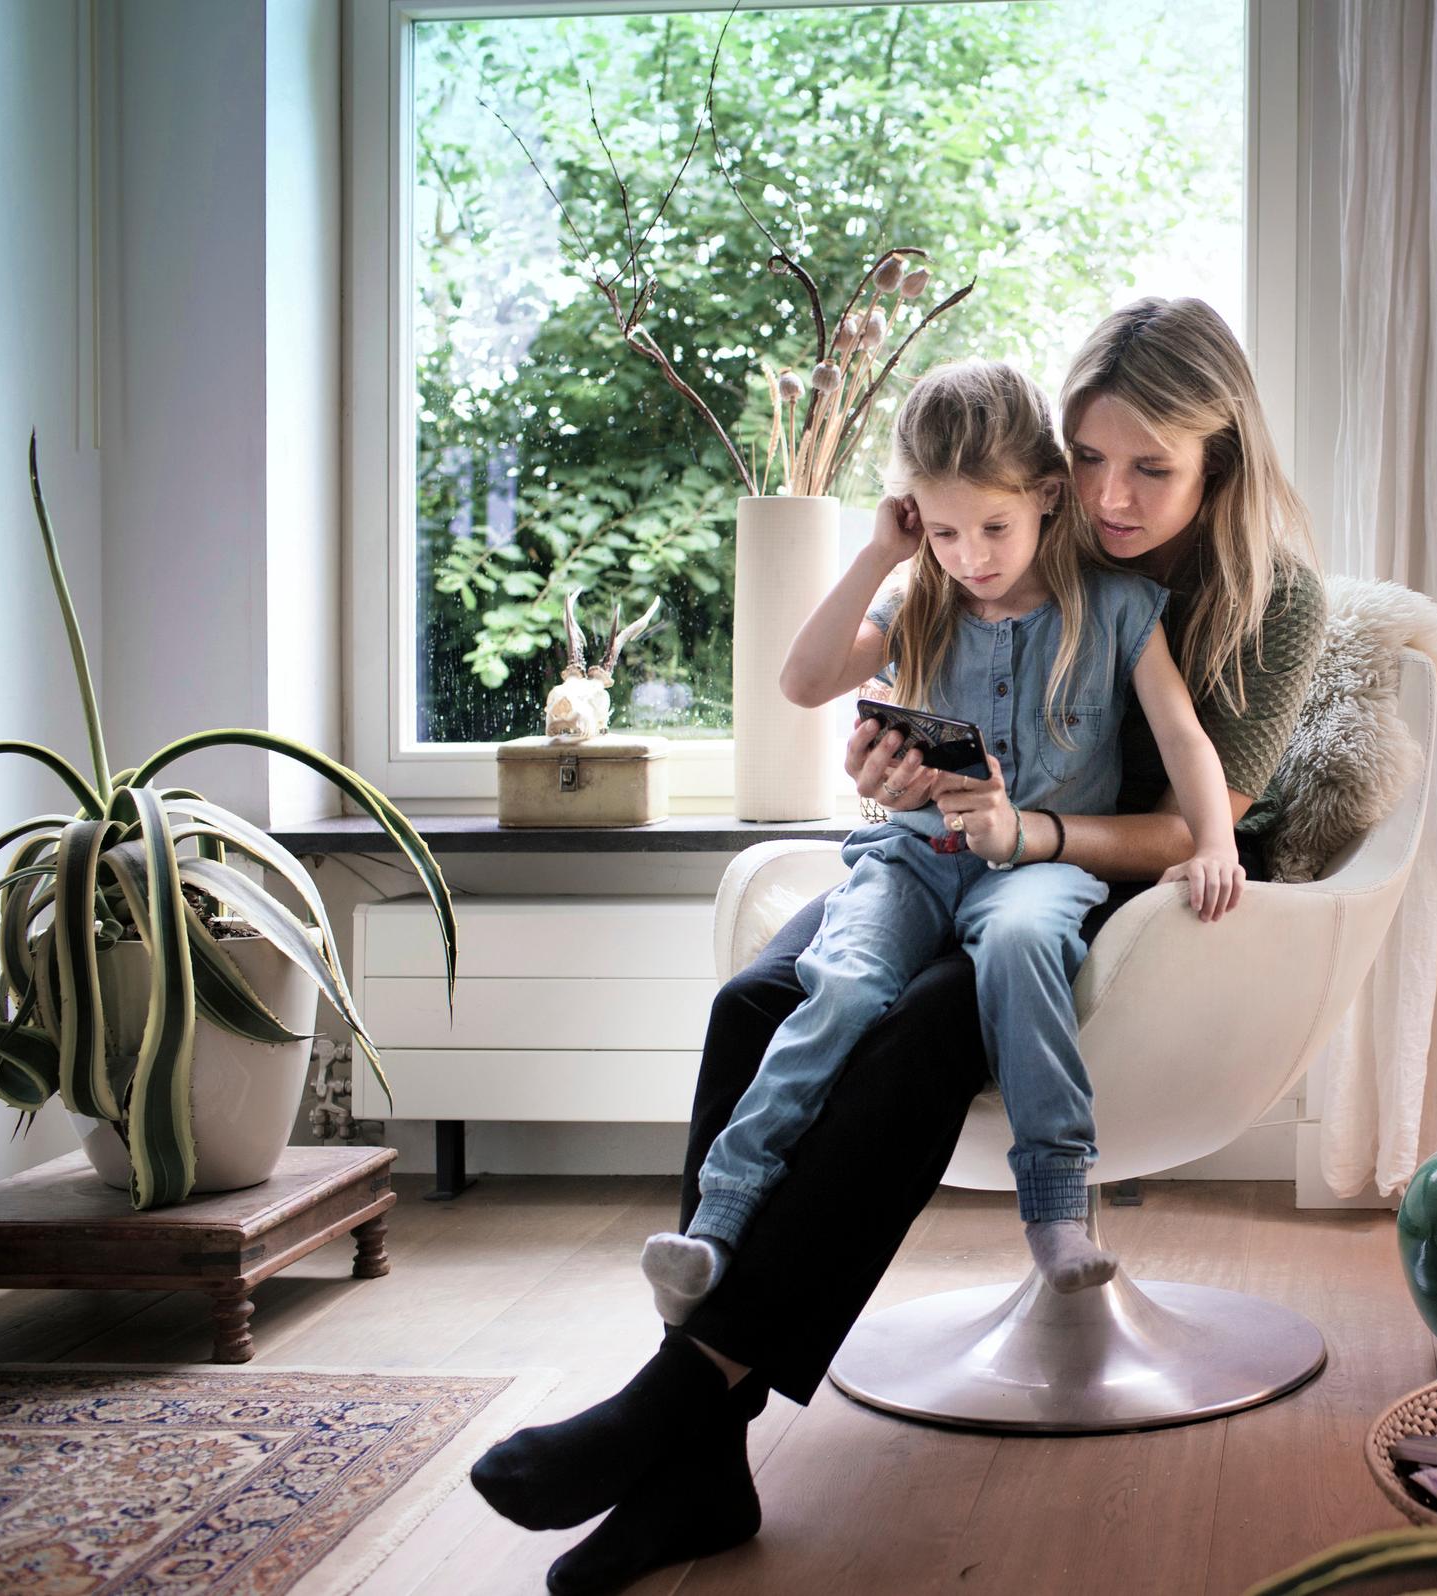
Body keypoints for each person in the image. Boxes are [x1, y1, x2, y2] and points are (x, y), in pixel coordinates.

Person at [470, 300, 1324, 1596]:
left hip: (1118, 902)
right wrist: (898, 767)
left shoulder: (1269, 602)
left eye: (1152, 465)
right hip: (946, 853)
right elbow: (902, 692)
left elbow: (1193, 829)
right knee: (760, 1001)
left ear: (1225, 456)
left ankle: (673, 1408)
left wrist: (1028, 829)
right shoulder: (1019, 551)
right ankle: (702, 1459)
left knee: (927, 1028)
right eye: (1089, 460)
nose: (1111, 493)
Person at [636, 358, 1245, 1324]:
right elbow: (801, 682)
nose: (971, 555)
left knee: (1019, 943)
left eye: (995, 528)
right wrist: (881, 555)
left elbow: (1181, 735)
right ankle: (719, 1218)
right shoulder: (916, 595)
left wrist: (1215, 842)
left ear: (1048, 496)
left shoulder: (1117, 608)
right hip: (911, 860)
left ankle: (1054, 1210)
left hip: (1037, 869)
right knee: (842, 984)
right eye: (946, 530)